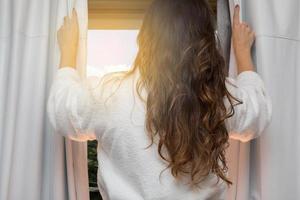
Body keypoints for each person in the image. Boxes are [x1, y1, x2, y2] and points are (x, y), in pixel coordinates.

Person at [48, 1, 271, 199]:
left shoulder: (111, 95)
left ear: (146, 38)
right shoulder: (216, 98)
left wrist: (68, 50)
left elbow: (62, 111)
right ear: (205, 41)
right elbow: (257, 113)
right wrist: (242, 52)